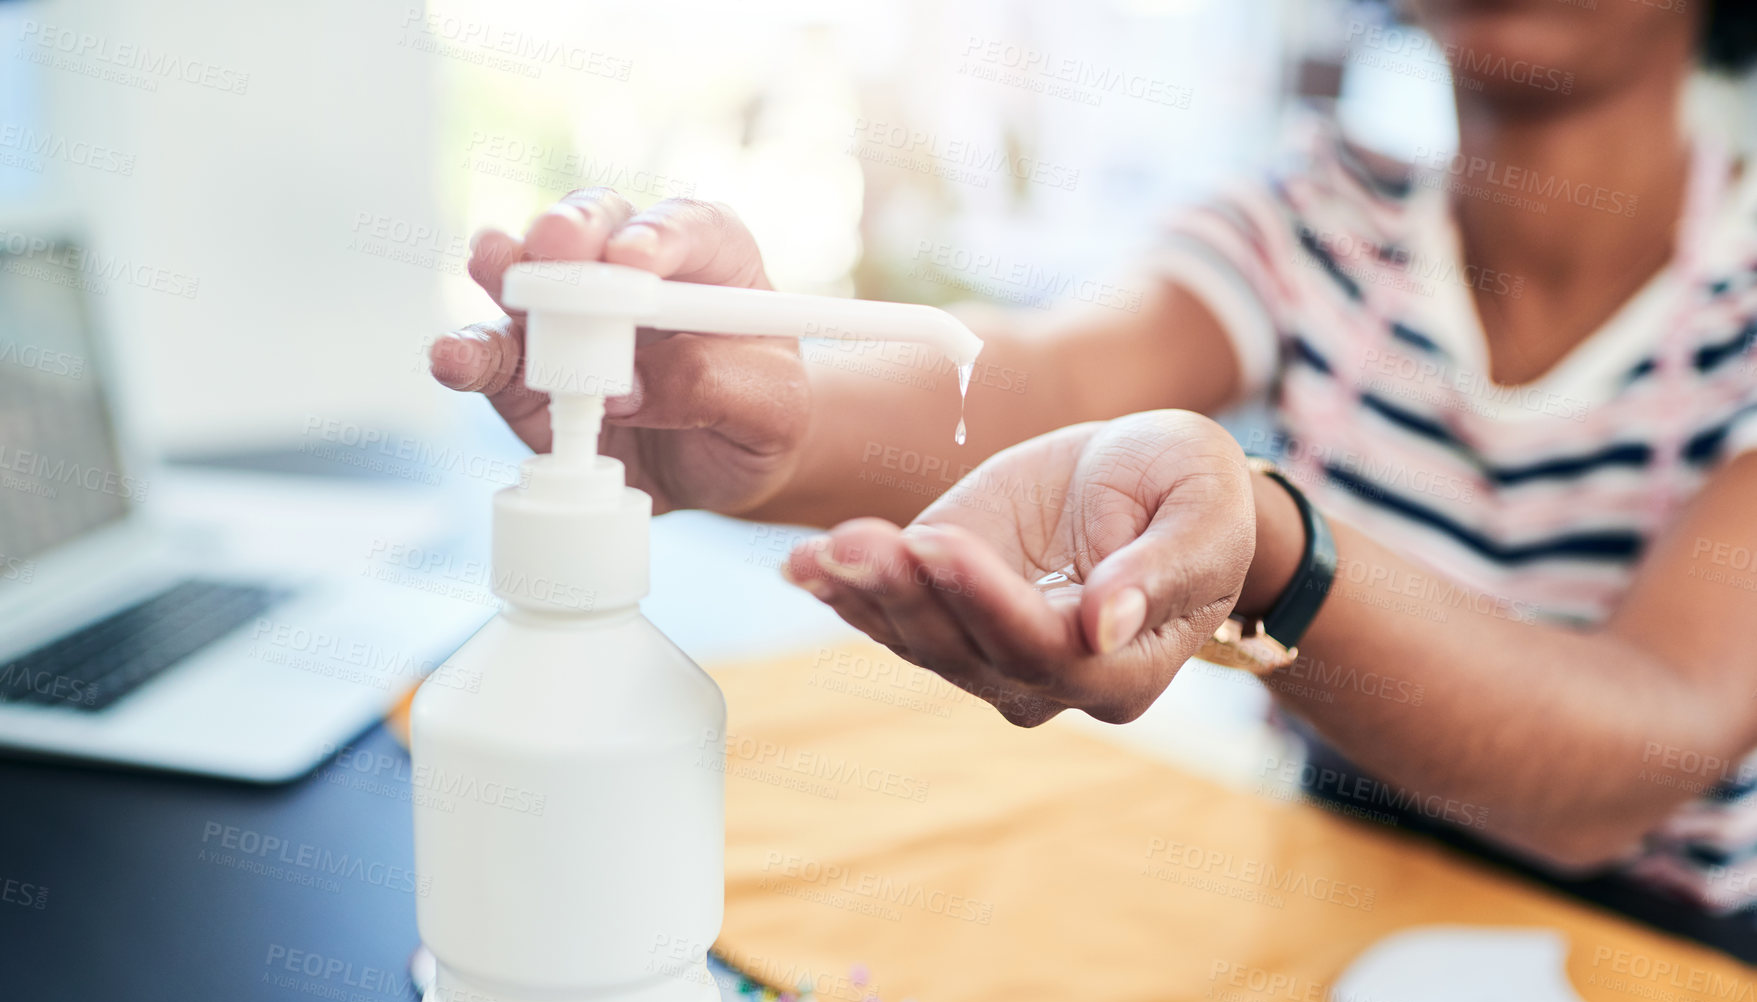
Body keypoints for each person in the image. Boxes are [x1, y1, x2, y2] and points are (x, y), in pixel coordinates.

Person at [430, 1, 1757, 911]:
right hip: (1320, 920)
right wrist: (757, 419)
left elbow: (1637, 752)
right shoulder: (1312, 219)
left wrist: (1272, 552)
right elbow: (1051, 381)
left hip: (1674, 992)